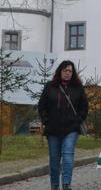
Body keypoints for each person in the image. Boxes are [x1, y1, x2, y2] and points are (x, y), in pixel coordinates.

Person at [38, 60, 88, 190]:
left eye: (70, 71)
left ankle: (66, 184)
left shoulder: (78, 88)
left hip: (71, 128)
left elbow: (84, 107)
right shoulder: (50, 86)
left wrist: (78, 120)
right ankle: (54, 185)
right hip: (53, 129)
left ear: (73, 73)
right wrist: (46, 120)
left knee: (68, 155)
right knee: (54, 159)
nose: (67, 73)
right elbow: (42, 105)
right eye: (65, 70)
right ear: (60, 72)